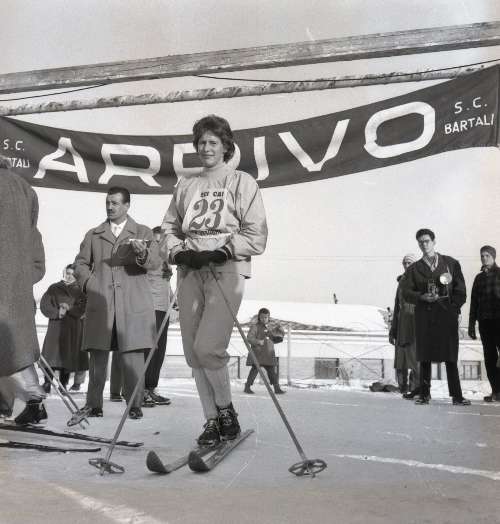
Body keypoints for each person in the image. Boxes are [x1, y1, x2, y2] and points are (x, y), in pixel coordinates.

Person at [162, 114, 267, 446]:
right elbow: (169, 228)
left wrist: (225, 250)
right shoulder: (186, 184)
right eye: (201, 143)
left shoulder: (241, 182)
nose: (206, 148)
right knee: (193, 353)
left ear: (225, 147)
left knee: (208, 347)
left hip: (225, 268)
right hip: (191, 268)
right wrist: (178, 252)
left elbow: (256, 233)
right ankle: (211, 420)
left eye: (213, 142)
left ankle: (225, 411)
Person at [74, 186, 161, 420]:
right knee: (98, 355)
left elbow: (155, 263)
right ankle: (93, 405)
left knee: (133, 356)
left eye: (115, 203)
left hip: (132, 304)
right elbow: (80, 264)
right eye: (107, 203)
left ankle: (134, 405)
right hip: (101, 303)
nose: (110, 207)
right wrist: (90, 283)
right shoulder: (94, 234)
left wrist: (142, 254)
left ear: (127, 205)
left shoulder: (143, 232)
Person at [0, 154, 47, 425]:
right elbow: (34, 240)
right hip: (17, 287)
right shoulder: (25, 188)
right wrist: (26, 277)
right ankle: (31, 402)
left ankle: (31, 401)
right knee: (16, 349)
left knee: (9, 348)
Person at [402, 228, 470, 406]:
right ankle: (424, 394)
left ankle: (457, 396)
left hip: (446, 315)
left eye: (427, 241)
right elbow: (405, 292)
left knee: (450, 356)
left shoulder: (450, 263)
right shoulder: (414, 269)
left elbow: (461, 290)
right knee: (424, 355)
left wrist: (453, 308)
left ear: (434, 242)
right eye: (420, 242)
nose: (424, 245)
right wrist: (421, 297)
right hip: (424, 316)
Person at [40, 264, 88, 393]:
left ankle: (63, 384)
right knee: (51, 356)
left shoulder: (80, 291)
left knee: (66, 357)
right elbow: (44, 305)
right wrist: (57, 312)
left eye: (72, 274)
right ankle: (47, 382)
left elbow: (83, 308)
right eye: (68, 273)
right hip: (55, 326)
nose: (69, 276)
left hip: (71, 328)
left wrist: (69, 309)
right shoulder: (54, 288)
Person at [143, 226, 173, 406]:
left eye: (162, 241)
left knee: (160, 350)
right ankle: (141, 389)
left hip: (164, 308)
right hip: (151, 308)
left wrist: (173, 300)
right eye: (156, 241)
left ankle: (151, 387)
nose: (159, 244)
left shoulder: (165, 261)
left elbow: (165, 285)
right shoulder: (148, 259)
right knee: (149, 349)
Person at [468, 245, 500, 402]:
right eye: (482, 256)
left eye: (487, 255)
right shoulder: (478, 278)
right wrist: (471, 324)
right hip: (485, 323)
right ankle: (496, 391)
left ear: (493, 257)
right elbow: (474, 302)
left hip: (499, 321)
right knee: (489, 358)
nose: (484, 258)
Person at [389, 254, 420, 398]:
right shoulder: (401, 282)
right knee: (401, 357)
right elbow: (397, 306)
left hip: (415, 322)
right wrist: (393, 330)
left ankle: (415, 388)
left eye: (410, 263)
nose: (407, 266)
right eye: (405, 263)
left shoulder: (420, 280)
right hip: (402, 322)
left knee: (415, 357)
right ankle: (402, 386)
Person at [244, 308, 285, 394]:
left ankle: (277, 388)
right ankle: (247, 387)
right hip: (258, 354)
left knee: (272, 372)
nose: (264, 319)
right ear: (259, 317)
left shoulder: (271, 328)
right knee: (254, 371)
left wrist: (279, 336)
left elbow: (273, 339)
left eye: (266, 317)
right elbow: (249, 338)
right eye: (262, 317)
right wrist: (258, 341)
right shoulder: (255, 327)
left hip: (268, 354)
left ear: (268, 317)